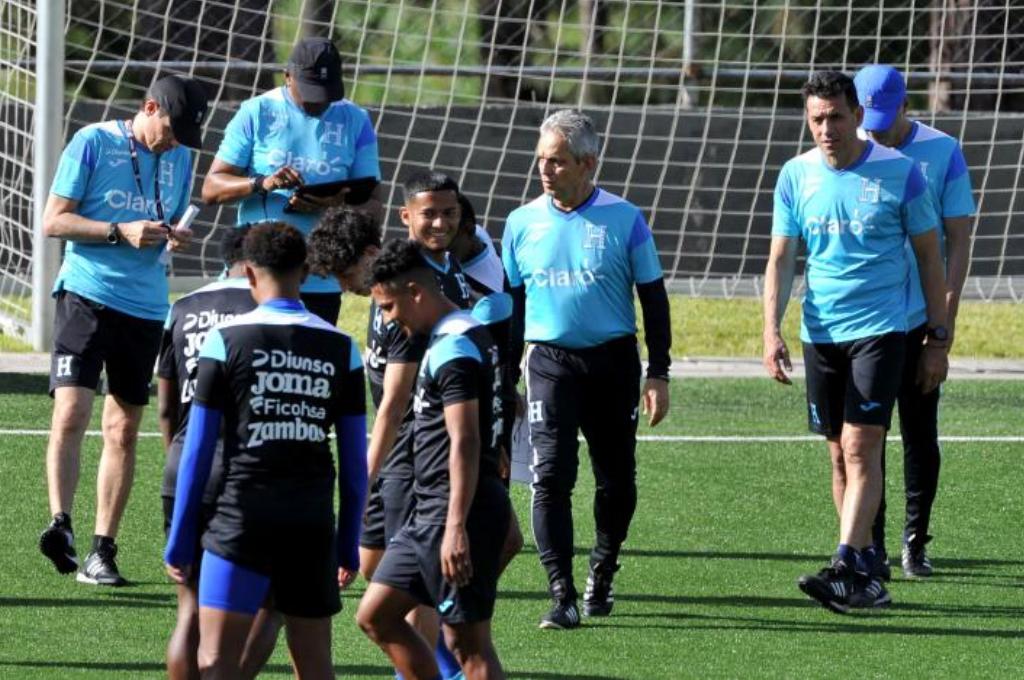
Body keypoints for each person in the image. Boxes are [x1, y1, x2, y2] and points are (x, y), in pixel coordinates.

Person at [763, 70, 950, 614]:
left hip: (882, 328)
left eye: (836, 117)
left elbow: (929, 257)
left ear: (857, 117)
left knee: (859, 444)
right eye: (817, 118)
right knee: (836, 457)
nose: (827, 128)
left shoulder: (901, 173)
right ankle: (867, 572)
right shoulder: (795, 175)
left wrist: (937, 337)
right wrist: (771, 330)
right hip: (819, 332)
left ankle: (845, 560)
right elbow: (781, 257)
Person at [164, 222, 368, 678]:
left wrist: (180, 539)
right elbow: (356, 467)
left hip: (240, 520)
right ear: (307, 270)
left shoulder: (226, 341)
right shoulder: (341, 347)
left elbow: (197, 452)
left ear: (249, 273)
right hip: (311, 524)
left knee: (216, 660)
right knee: (315, 667)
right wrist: (348, 545)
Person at [502, 109, 672, 629]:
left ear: (588, 163)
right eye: (541, 161)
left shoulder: (625, 218)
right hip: (550, 363)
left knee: (615, 480)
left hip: (613, 363)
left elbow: (654, 300)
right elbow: (510, 307)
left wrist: (658, 372)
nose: (545, 170)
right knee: (549, 477)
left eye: (557, 161)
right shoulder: (520, 223)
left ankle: (603, 565)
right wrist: (504, 378)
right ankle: (561, 592)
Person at [38, 74, 208, 586]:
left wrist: (172, 235)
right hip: (86, 293)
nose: (174, 141)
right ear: (149, 107)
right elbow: (53, 222)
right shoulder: (92, 142)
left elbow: (165, 217)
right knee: (72, 409)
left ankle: (101, 550)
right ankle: (60, 525)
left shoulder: (180, 156)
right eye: (170, 129)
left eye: (183, 134)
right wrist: (119, 230)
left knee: (124, 428)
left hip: (145, 304)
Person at [357, 238, 511, 680]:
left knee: (467, 646)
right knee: (376, 616)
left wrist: (456, 527)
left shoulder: (455, 348)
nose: (388, 319)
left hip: (453, 513)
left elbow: (464, 440)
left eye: (389, 307)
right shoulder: (450, 336)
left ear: (416, 292)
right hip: (425, 515)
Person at [854, 64, 975, 579]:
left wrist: (941, 328)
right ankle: (872, 545)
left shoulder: (942, 151)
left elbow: (958, 241)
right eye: (868, 119)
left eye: (886, 118)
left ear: (908, 105)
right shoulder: (848, 148)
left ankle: (915, 542)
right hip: (867, 320)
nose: (876, 130)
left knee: (920, 432)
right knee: (866, 434)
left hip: (920, 320)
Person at [156, 227, 280, 680]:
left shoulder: (183, 306)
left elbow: (167, 405)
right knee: (272, 602)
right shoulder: (266, 308)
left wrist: (179, 461)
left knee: (189, 606)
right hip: (250, 469)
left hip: (187, 463)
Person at [201, 37, 383, 326]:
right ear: (287, 77)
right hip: (259, 275)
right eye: (310, 93)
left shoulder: (356, 120)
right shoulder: (256, 112)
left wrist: (337, 204)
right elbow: (211, 188)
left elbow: (374, 204)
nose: (319, 102)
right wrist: (262, 184)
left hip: (321, 278)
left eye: (327, 93)